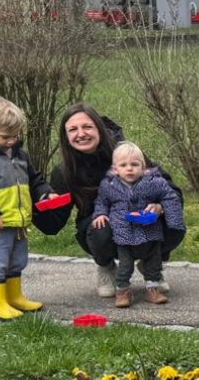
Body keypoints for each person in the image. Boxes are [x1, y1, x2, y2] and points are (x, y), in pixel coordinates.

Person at [34, 104, 187, 299]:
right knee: (101, 228)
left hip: (142, 222)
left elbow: (171, 190)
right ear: (65, 136)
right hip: (101, 231)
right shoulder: (64, 172)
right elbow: (53, 224)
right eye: (73, 129)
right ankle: (105, 266)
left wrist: (160, 207)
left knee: (174, 222)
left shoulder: (126, 155)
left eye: (87, 127)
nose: (81, 134)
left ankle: (151, 264)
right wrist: (35, 202)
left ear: (99, 128)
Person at [0, 96, 53, 321]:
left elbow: (34, 179)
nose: (12, 141)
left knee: (17, 261)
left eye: (15, 136)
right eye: (6, 137)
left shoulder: (20, 155)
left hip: (19, 222)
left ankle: (14, 297)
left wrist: (46, 192)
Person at [93, 142, 184, 308]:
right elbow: (101, 201)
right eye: (123, 165)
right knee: (125, 266)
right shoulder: (109, 186)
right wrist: (100, 214)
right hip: (124, 234)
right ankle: (122, 291)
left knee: (153, 263)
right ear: (115, 169)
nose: (129, 169)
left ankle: (152, 290)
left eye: (134, 165)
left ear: (143, 168)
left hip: (150, 232)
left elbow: (170, 196)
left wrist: (171, 217)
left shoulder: (154, 183)